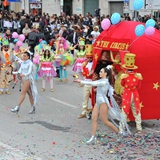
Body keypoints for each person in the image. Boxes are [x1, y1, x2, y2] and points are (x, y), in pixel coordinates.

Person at [75, 67, 131, 144]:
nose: (99, 73)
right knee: (94, 119)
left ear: (105, 74)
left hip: (103, 103)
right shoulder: (101, 80)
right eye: (100, 71)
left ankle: (119, 133)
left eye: (101, 72)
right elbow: (96, 85)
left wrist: (80, 81)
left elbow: (93, 83)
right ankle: (93, 137)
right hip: (97, 103)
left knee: (105, 121)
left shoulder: (104, 82)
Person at [119, 53, 143, 133]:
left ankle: (121, 128)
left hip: (127, 94)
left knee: (124, 110)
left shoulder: (124, 76)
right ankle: (139, 128)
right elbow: (139, 87)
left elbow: (122, 84)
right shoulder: (138, 76)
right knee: (136, 110)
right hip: (135, 94)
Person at [77, 44, 93, 118]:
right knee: (85, 97)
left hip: (93, 83)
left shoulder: (95, 64)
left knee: (94, 98)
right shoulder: (84, 64)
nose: (89, 58)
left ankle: (94, 110)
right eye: (88, 57)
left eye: (90, 57)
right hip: (87, 82)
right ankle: (84, 111)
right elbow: (84, 73)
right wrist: (89, 74)